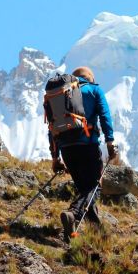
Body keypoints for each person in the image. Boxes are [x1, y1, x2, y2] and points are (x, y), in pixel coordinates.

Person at [45, 66, 116, 242]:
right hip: (88, 146)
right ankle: (73, 214)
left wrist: (55, 158)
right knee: (94, 187)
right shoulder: (94, 89)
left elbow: (51, 128)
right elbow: (105, 115)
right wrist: (110, 141)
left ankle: (96, 234)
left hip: (67, 150)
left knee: (85, 190)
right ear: (90, 78)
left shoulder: (60, 94)